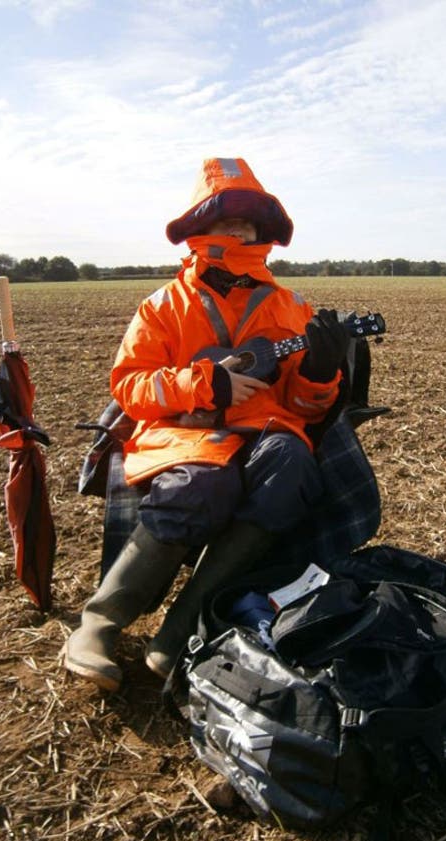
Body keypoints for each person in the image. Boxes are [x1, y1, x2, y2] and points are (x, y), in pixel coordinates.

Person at [64, 157, 350, 691]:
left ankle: (178, 632)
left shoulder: (292, 308)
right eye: (226, 217)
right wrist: (203, 384)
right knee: (201, 483)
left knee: (293, 465)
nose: (240, 227)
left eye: (249, 218)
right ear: (200, 227)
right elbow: (130, 385)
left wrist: (319, 372)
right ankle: (98, 625)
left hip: (263, 434)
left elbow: (306, 409)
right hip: (184, 437)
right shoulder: (163, 306)